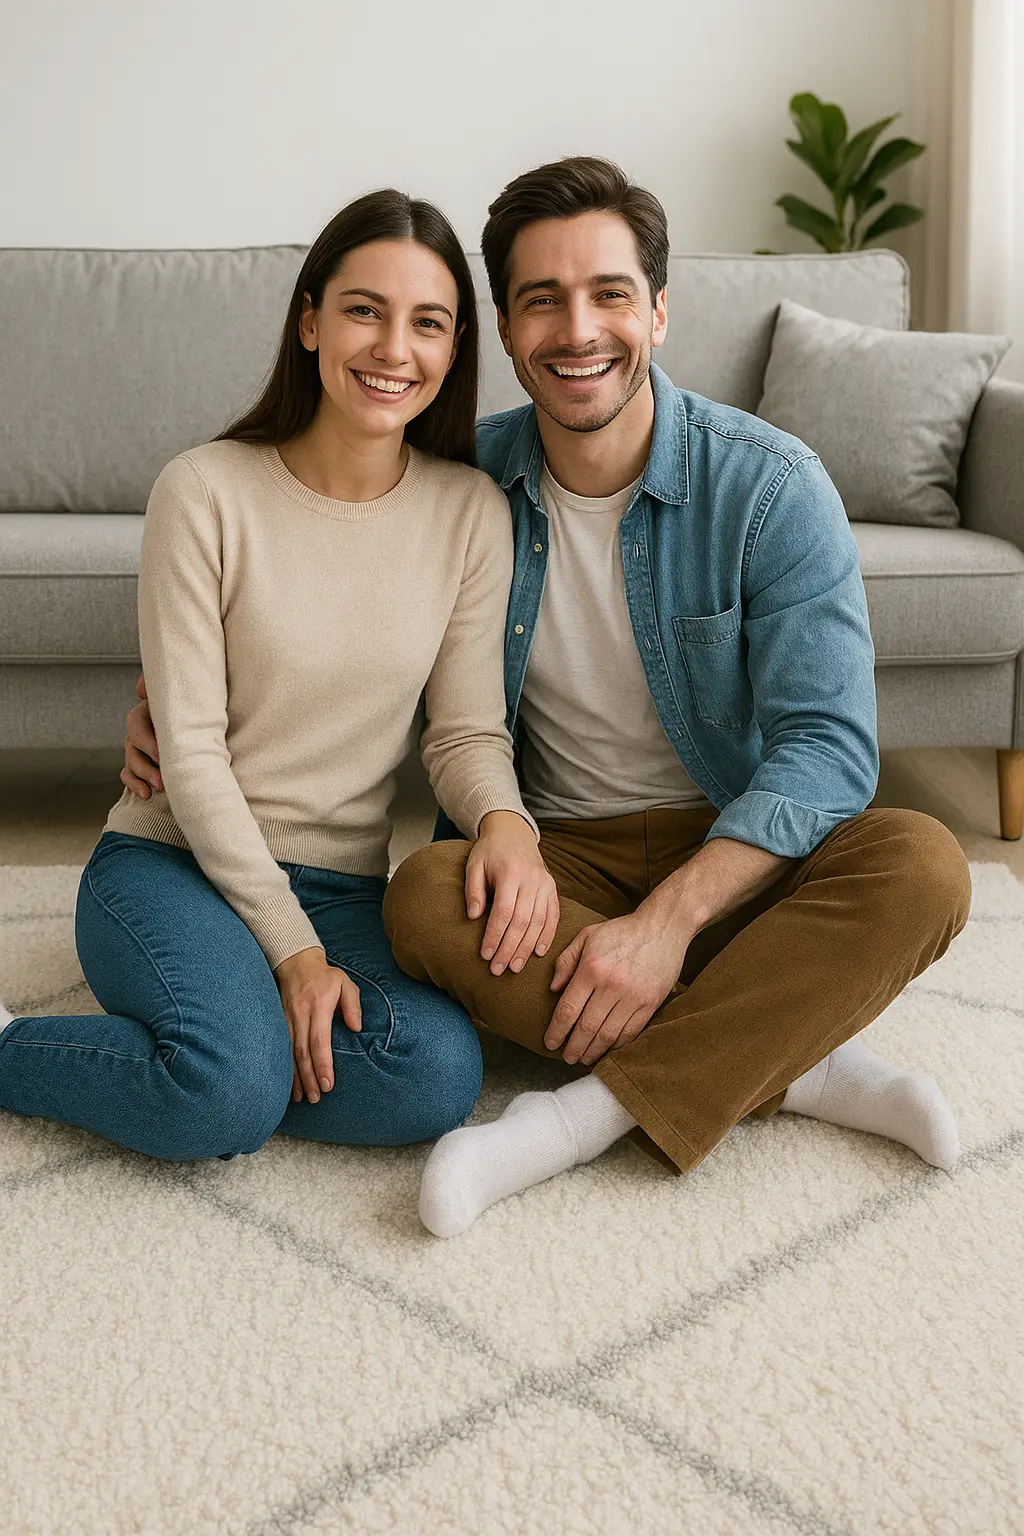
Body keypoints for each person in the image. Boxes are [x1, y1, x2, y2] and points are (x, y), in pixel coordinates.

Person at [122, 159, 972, 1236]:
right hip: (555, 859)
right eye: (541, 300)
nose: (579, 329)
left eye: (610, 293)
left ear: (658, 311)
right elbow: (315, 577)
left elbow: (829, 752)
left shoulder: (768, 485)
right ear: (508, 333)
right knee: (427, 892)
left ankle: (577, 1118)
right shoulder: (461, 485)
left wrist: (667, 924)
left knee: (923, 863)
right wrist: (167, 701)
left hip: (736, 849)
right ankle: (799, 1059)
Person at [0, 189, 555, 1162]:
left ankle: (219, 1040)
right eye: (363, 310)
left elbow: (464, 732)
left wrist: (507, 824)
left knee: (436, 1073)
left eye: (427, 322)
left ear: (456, 346)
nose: (394, 348)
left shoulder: (469, 513)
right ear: (309, 319)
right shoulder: (205, 489)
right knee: (223, 1097)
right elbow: (193, 751)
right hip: (170, 864)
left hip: (341, 888)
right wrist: (293, 960)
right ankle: (36, 1048)